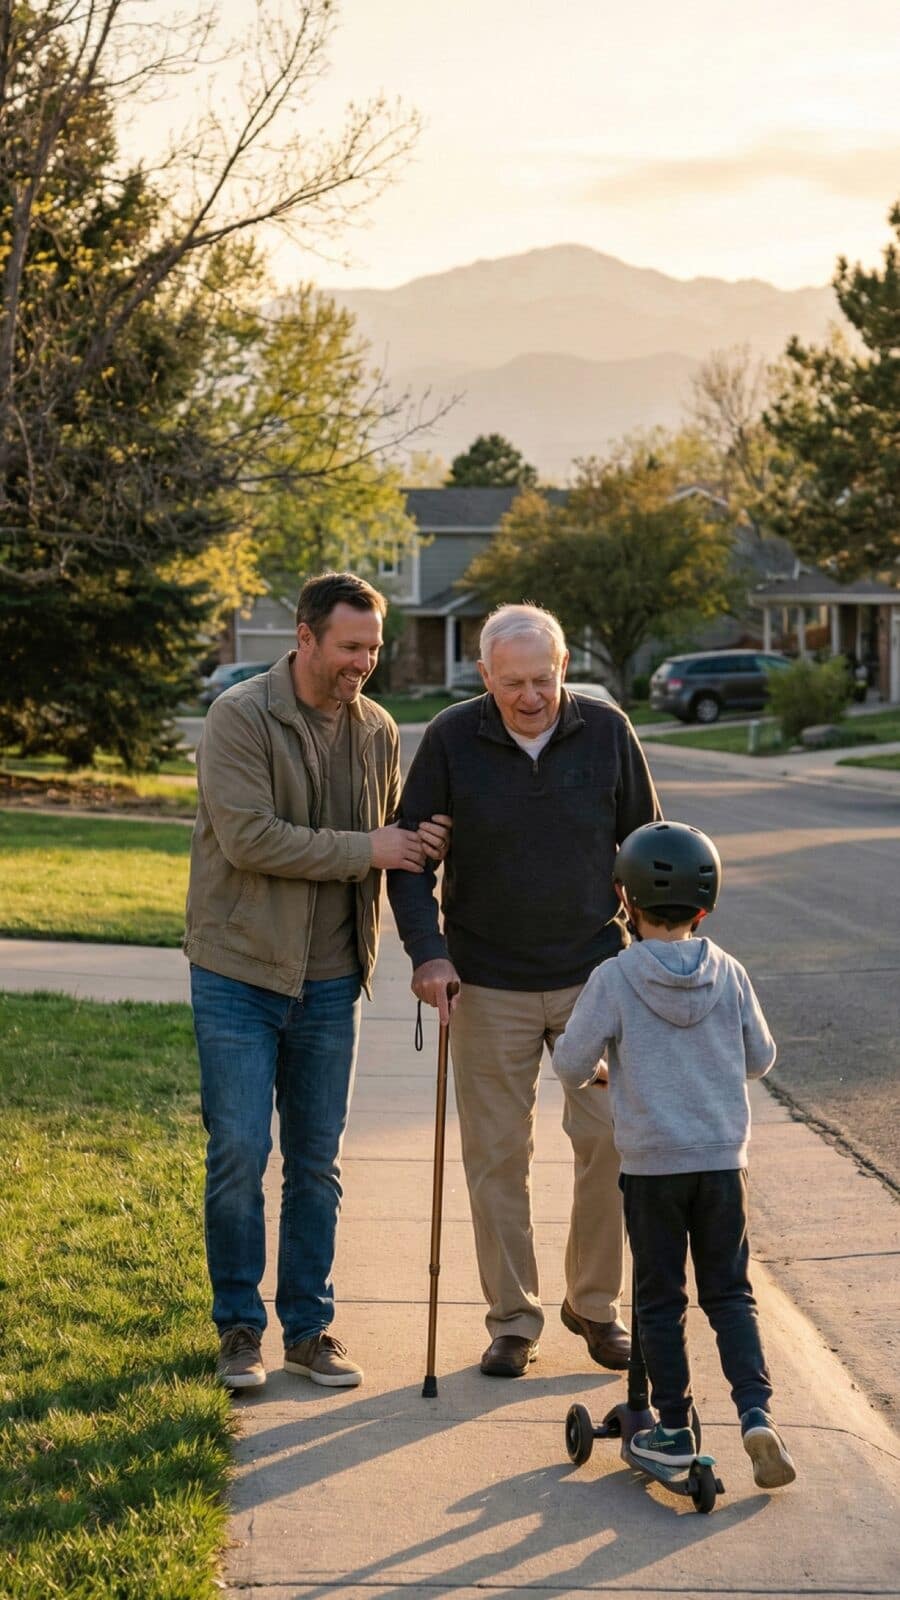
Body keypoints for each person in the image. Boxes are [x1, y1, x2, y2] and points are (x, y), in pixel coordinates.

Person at [185, 571, 450, 1392]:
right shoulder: (239, 716)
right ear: (303, 637)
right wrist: (368, 849)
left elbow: (391, 836)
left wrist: (422, 838)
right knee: (238, 1151)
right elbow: (251, 839)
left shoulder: (376, 727)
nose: (362, 664)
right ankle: (238, 1327)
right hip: (239, 968)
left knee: (317, 1160)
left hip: (334, 977)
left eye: (372, 649)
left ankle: (309, 1327)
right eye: (349, 647)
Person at [388, 603, 660, 1378]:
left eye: (543, 679)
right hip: (485, 980)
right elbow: (410, 859)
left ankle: (593, 1306)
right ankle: (513, 1318)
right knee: (497, 1156)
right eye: (514, 683)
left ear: (563, 668)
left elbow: (645, 851)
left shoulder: (607, 732)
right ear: (485, 676)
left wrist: (650, 960)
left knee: (610, 1140)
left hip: (594, 979)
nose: (532, 696)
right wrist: (429, 955)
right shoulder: (451, 738)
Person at [552, 820, 796, 1489]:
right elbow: (760, 1058)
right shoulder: (731, 972)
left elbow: (571, 1062)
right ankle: (755, 1415)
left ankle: (674, 1429)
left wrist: (609, 1071)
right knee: (731, 1295)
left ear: (624, 900)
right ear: (705, 906)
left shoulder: (615, 977)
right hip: (723, 1164)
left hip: (654, 1168)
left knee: (660, 1301)